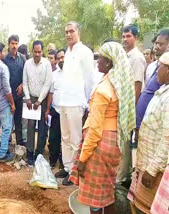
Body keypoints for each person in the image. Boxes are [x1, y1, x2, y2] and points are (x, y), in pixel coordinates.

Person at [69, 41, 136, 214]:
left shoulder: (103, 90)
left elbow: (95, 130)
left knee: (95, 198)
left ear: (109, 62)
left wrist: (83, 159)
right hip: (113, 142)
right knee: (107, 192)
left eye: (100, 58)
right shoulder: (118, 84)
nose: (97, 61)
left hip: (100, 144)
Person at [128, 52, 169, 214]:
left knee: (147, 209)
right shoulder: (163, 90)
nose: (156, 71)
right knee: (138, 205)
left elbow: (167, 139)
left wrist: (151, 171)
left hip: (155, 170)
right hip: (146, 163)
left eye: (159, 67)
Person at [55, 21, 94, 186]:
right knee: (65, 137)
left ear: (78, 32)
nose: (68, 34)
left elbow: (89, 80)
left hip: (76, 102)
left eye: (71, 31)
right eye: (66, 32)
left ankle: (74, 172)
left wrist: (85, 102)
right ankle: (67, 166)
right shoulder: (67, 53)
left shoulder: (84, 52)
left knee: (76, 138)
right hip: (64, 102)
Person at [135, 29, 169, 146]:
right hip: (144, 123)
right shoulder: (153, 67)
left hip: (157, 128)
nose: (156, 47)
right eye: (156, 43)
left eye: (161, 44)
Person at [23, 40, 52, 166]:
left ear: (42, 51)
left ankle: (39, 153)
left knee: (42, 128)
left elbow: (47, 83)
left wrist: (40, 101)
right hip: (30, 100)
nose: (37, 54)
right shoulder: (27, 64)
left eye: (39, 52)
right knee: (30, 127)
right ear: (32, 51)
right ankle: (30, 153)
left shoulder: (47, 64)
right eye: (35, 51)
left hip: (42, 100)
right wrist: (28, 99)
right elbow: (24, 82)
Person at [45, 48, 66, 168]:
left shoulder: (73, 74)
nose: (61, 60)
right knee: (53, 137)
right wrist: (48, 110)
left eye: (63, 57)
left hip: (68, 111)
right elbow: (51, 94)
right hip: (56, 110)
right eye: (58, 58)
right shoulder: (54, 75)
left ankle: (65, 164)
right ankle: (53, 160)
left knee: (67, 139)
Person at [4, 35, 26, 146]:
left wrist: (22, 84)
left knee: (19, 120)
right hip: (8, 95)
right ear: (9, 44)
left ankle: (19, 142)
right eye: (12, 43)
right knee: (7, 119)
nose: (14, 46)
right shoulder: (4, 59)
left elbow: (26, 75)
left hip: (19, 94)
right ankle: (7, 141)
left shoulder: (22, 58)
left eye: (16, 43)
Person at [122, 25, 147, 103]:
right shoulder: (124, 56)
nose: (125, 39)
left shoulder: (137, 58)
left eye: (128, 36)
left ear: (135, 38)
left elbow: (137, 84)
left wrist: (133, 107)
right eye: (123, 37)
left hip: (131, 102)